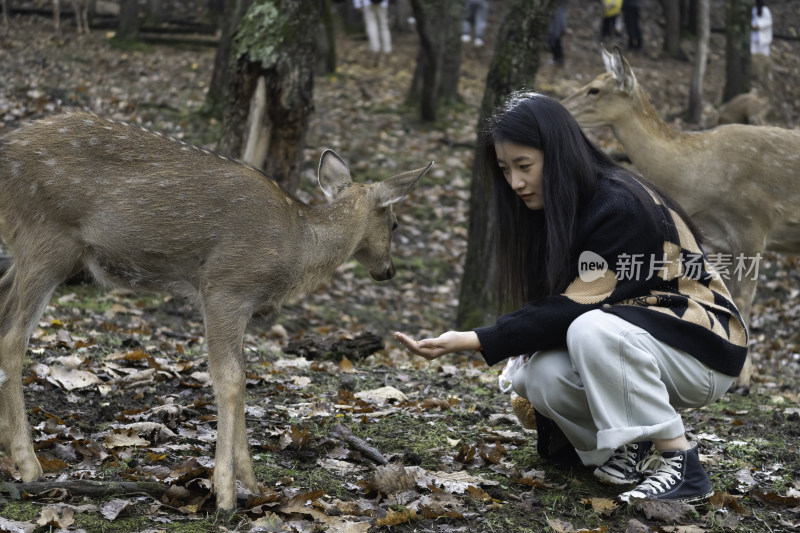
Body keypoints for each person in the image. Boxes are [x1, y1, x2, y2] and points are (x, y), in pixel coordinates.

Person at [394, 92, 748, 503]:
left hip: (702, 347)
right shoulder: (558, 206)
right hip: (645, 340)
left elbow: (580, 305)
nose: (515, 182)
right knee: (537, 375)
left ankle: (682, 464)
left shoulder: (620, 206)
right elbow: (570, 307)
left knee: (590, 328)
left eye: (525, 166)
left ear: (558, 154)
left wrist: (475, 339)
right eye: (505, 169)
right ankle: (628, 449)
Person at [354, 0, 392, 64]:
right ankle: (387, 49)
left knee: (371, 25)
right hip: (383, 3)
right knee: (383, 26)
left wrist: (357, 4)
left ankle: (375, 49)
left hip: (367, 3)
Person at [548, 0, 568, 66]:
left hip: (558, 17)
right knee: (554, 39)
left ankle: (559, 59)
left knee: (556, 39)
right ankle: (557, 58)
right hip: (556, 17)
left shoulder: (559, 7)